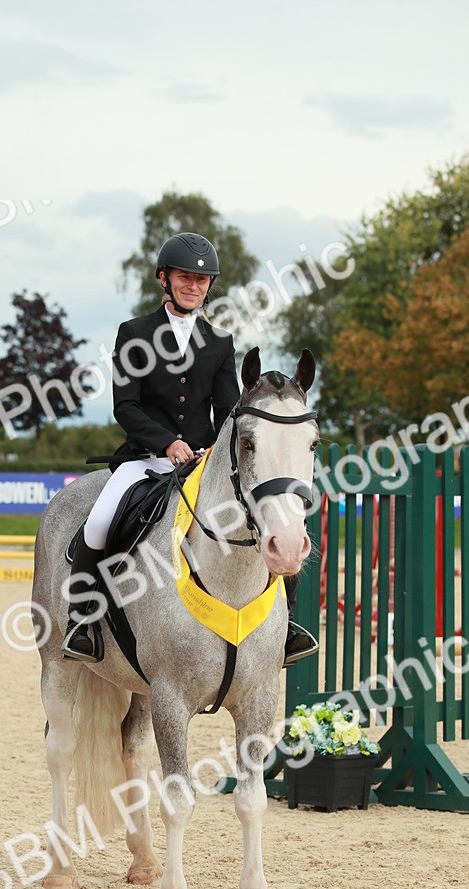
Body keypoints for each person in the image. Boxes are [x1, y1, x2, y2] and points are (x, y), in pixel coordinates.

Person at [60, 231, 316, 667]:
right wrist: (167, 442)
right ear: (165, 279)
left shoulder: (219, 342)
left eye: (202, 281)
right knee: (100, 522)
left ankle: (286, 624)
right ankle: (82, 621)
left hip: (202, 462)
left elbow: (224, 412)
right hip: (145, 459)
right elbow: (126, 406)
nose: (193, 286)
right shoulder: (134, 333)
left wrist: (213, 449)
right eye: (184, 278)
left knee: (266, 517)